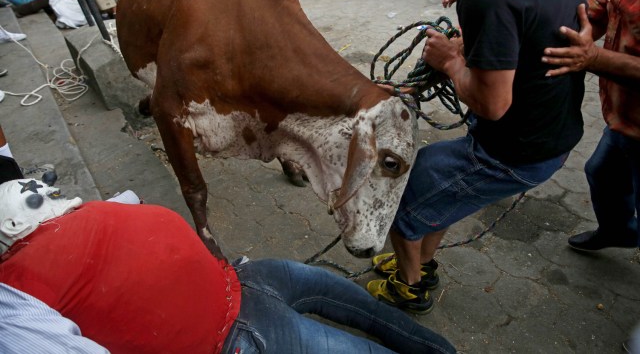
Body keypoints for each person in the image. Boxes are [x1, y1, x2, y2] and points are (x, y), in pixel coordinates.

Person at [367, 0, 587, 314]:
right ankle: (422, 263)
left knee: (405, 199)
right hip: (553, 131)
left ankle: (409, 286)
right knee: (443, 191)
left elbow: (492, 103)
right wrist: (483, 34)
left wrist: (450, 60)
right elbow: (530, 27)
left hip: (515, 149)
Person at [0, 178, 456, 353]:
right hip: (235, 320)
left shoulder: (73, 224)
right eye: (41, 192)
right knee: (356, 327)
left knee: (361, 318)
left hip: (243, 286)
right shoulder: (16, 288)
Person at [542, 0, 639, 252]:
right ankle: (619, 231)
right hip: (624, 113)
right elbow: (597, 7)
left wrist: (594, 57)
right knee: (603, 173)